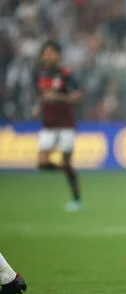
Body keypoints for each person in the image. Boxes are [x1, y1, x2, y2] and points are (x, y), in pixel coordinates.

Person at [32, 40, 83, 212]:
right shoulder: (39, 74)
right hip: (48, 123)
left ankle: (76, 199)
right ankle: (67, 169)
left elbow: (77, 96)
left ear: (58, 55)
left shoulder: (65, 74)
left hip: (65, 124)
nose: (48, 55)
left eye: (51, 52)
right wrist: (38, 106)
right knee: (42, 162)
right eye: (46, 52)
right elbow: (42, 96)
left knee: (66, 160)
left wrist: (59, 97)